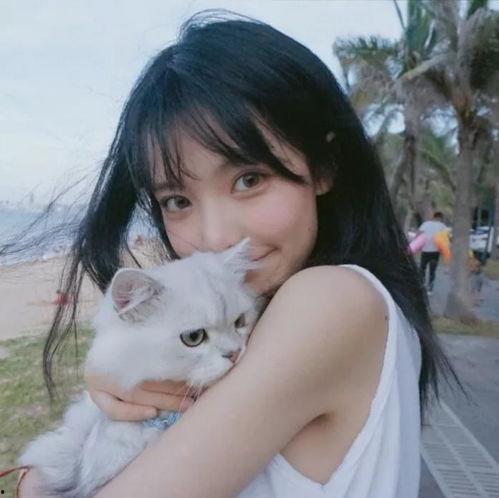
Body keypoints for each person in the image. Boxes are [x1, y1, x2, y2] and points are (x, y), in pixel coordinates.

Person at [15, 11, 460, 498]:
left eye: (249, 179)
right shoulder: (291, 311)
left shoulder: (331, 300)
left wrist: (36, 481)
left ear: (323, 165)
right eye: (177, 201)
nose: (216, 237)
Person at [417, 211, 449, 295]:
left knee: (422, 269)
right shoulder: (443, 226)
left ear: (433, 217)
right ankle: (430, 289)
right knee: (432, 270)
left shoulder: (426, 224)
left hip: (425, 250)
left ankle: (421, 285)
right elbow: (445, 239)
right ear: (440, 218)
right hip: (435, 252)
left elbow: (418, 234)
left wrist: (417, 245)